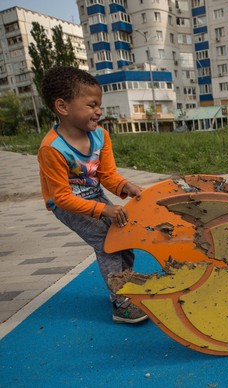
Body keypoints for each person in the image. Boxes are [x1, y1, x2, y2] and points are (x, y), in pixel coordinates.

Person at [37, 66, 147, 324]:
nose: (99, 110)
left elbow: (107, 175)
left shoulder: (100, 135)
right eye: (91, 104)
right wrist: (104, 210)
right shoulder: (52, 149)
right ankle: (120, 303)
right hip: (68, 206)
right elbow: (62, 198)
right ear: (63, 107)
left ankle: (125, 287)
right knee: (108, 244)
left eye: (100, 104)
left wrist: (126, 186)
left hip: (94, 196)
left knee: (125, 235)